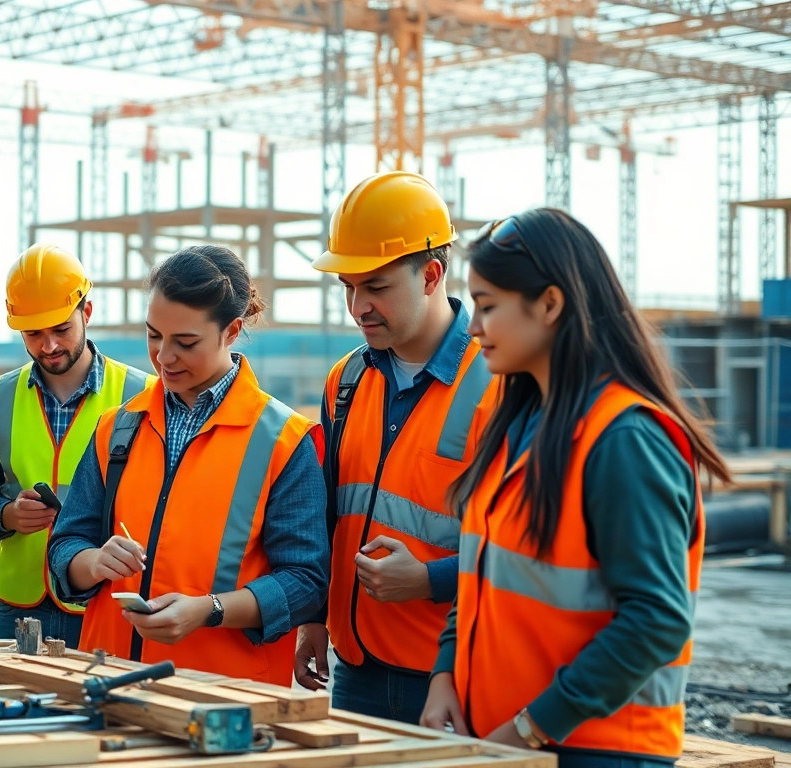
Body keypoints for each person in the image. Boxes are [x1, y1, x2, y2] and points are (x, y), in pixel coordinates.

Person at [419, 209, 726, 764]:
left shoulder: (623, 438)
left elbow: (656, 619)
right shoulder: (514, 425)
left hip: (595, 749)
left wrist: (534, 727)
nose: (473, 327)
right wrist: (445, 673)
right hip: (506, 743)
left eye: (488, 307)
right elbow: (481, 573)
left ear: (551, 305)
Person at [47, 245, 329, 685]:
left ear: (231, 331)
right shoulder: (117, 428)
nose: (163, 357)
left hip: (223, 699)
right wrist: (93, 561)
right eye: (154, 335)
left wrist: (210, 611)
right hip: (110, 684)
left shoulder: (284, 441)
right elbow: (66, 544)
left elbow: (305, 582)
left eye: (186, 342)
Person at [295, 171, 499, 723]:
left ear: (431, 274)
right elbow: (329, 513)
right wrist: (315, 616)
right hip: (357, 666)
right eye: (348, 288)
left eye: (377, 286)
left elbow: (529, 554)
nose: (358, 305)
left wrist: (430, 579)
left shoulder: (498, 383)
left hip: (454, 674)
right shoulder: (346, 381)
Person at [0, 243, 151, 647]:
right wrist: (7, 515)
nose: (49, 346)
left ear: (86, 313)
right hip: (17, 603)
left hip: (105, 598)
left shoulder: (141, 395)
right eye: (34, 334)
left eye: (61, 329)